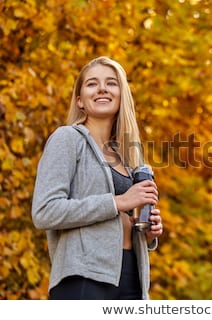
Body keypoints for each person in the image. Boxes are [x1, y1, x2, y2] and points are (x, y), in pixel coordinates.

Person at [31, 56, 163, 300]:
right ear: (80, 100)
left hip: (132, 275)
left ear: (121, 95)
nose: (102, 88)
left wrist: (146, 233)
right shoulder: (67, 139)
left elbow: (116, 222)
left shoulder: (126, 157)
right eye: (92, 83)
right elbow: (44, 211)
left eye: (111, 83)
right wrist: (118, 202)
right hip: (84, 276)